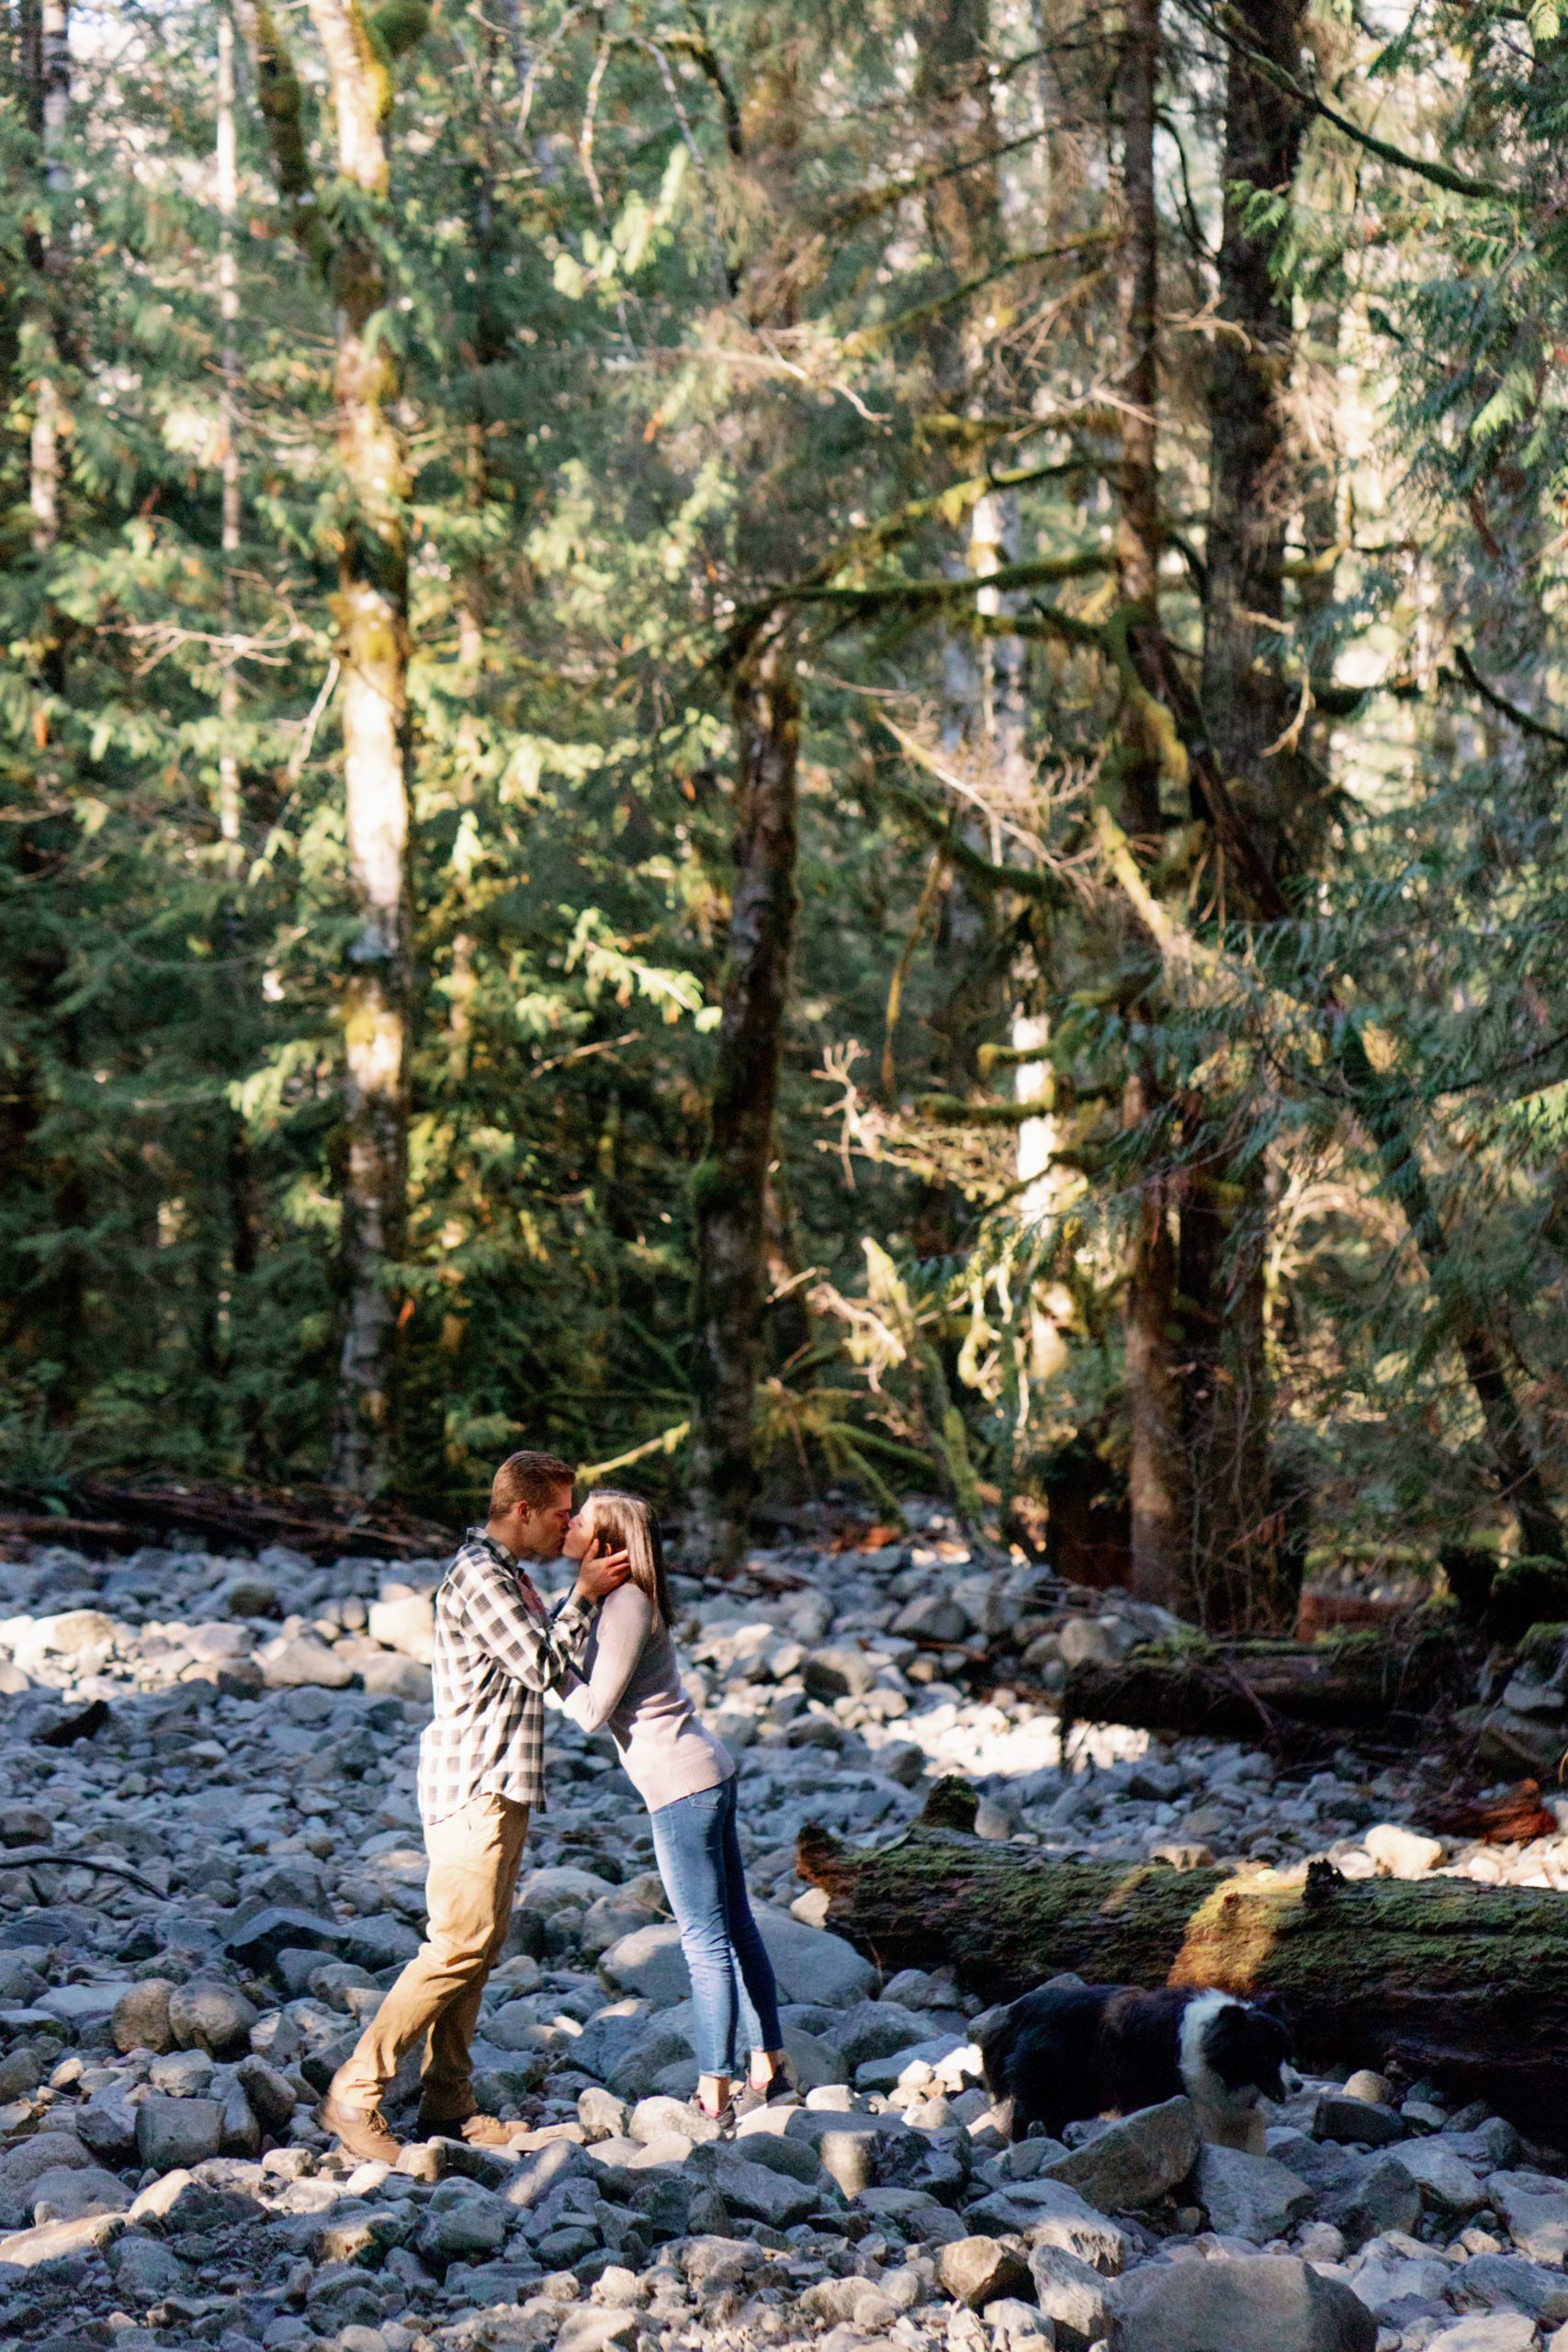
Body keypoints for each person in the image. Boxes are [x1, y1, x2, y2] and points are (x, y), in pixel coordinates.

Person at [321, 1450, 630, 2162]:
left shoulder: (506, 1577)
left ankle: (447, 2101)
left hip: (500, 1783)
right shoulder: (480, 1577)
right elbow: (544, 1666)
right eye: (560, 1513)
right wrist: (583, 1594)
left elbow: (536, 1654)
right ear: (522, 1511)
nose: (568, 1525)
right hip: (475, 1784)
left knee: (477, 1950)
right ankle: (356, 2091)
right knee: (456, 1947)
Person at [560, 1487, 789, 2125]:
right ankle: (767, 2062)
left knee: (704, 1941)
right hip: (702, 1773)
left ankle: (713, 2090)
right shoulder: (616, 1600)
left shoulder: (627, 1606)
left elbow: (588, 1712)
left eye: (581, 1519)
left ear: (606, 1544)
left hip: (683, 1788)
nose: (569, 1522)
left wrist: (544, 1672)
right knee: (735, 1926)